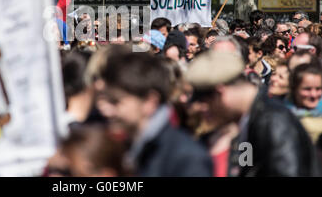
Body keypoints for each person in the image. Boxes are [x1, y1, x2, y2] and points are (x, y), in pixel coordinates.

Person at [185, 50, 319, 177]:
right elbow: (246, 165)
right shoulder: (247, 119)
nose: (206, 114)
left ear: (220, 92)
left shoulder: (273, 121)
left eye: (206, 106)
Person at [100, 51, 213, 176]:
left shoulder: (186, 157)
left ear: (149, 102)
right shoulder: (123, 146)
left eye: (115, 102)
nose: (105, 110)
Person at [285, 64, 322, 143]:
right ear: (294, 89)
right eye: (307, 89)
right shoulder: (279, 118)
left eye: (318, 89)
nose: (313, 95)